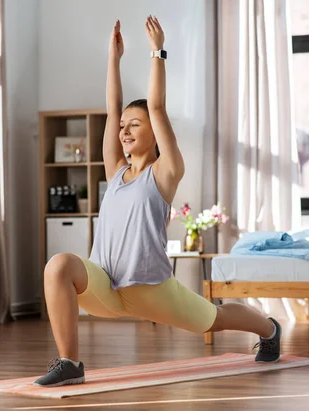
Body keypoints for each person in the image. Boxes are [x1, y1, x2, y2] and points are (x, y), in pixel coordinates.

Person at [35, 16, 282, 387]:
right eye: (123, 127)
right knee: (58, 266)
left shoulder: (165, 172)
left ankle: (269, 328)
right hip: (108, 286)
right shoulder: (116, 172)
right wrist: (113, 59)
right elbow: (112, 105)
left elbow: (158, 107)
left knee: (216, 318)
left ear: (153, 130)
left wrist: (157, 52)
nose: (124, 130)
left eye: (135, 124)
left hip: (153, 291)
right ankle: (70, 363)